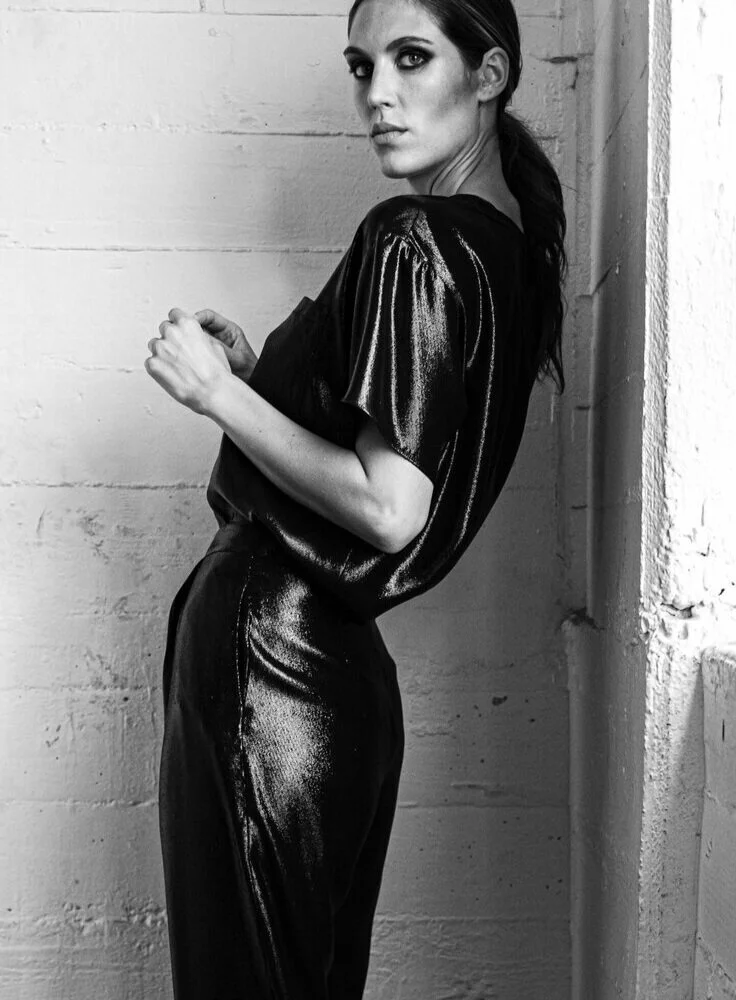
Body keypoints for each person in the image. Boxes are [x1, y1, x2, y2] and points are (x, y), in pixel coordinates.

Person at [144, 0, 566, 995]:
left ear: (490, 73)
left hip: (273, 658)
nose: (378, 93)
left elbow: (388, 507)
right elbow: (392, 454)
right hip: (331, 674)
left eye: (411, 58)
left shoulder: (412, 238)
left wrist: (217, 396)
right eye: (361, 66)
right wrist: (267, 378)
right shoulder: (503, 252)